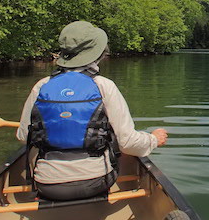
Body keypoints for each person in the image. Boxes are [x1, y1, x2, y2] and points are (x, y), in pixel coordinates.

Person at [16, 21, 168, 201]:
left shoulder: (42, 86)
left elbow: (23, 136)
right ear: (98, 54)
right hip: (96, 182)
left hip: (46, 184)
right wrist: (153, 139)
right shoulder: (104, 86)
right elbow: (128, 143)